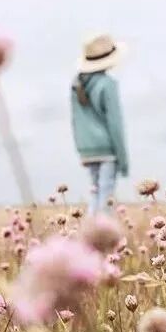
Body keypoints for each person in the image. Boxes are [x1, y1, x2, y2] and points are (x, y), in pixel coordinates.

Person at [71, 34, 129, 215]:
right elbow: (115, 124)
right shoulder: (108, 84)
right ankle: (102, 229)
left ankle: (91, 228)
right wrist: (123, 160)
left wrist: (81, 149)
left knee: (96, 193)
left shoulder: (76, 85)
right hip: (106, 150)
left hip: (87, 150)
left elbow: (75, 121)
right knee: (106, 196)